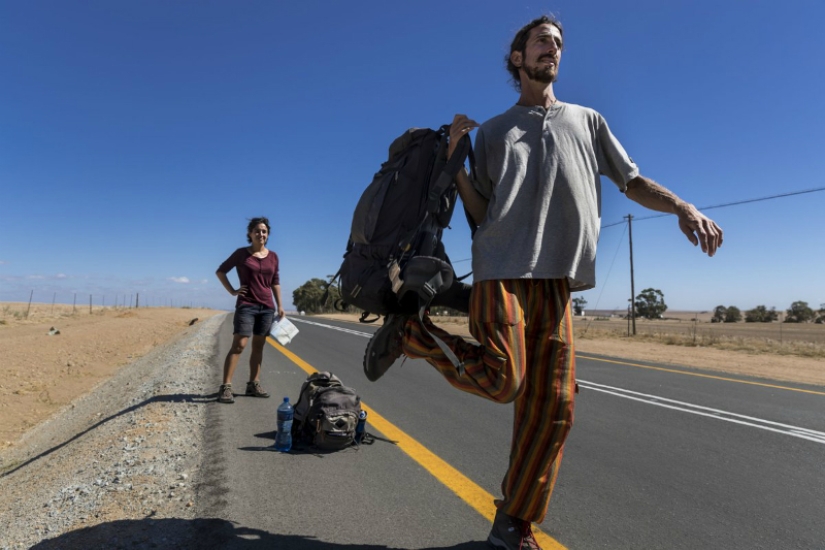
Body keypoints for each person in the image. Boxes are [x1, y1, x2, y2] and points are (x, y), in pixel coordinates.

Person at [363, 15, 723, 550]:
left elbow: (632, 181)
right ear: (518, 58)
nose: (551, 47)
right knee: (505, 379)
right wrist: (456, 165)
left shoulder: (588, 120)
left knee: (553, 407)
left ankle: (513, 524)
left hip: (558, 282)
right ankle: (412, 336)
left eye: (557, 43)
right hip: (502, 272)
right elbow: (481, 213)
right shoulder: (493, 131)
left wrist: (681, 207)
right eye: (540, 40)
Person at [216, 217, 286, 404]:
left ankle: (253, 384)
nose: (260, 234)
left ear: (268, 234)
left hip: (267, 308)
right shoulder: (241, 254)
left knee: (259, 346)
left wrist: (280, 305)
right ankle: (226, 387)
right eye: (257, 231)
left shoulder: (273, 256)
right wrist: (232, 291)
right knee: (239, 345)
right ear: (250, 234)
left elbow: (275, 282)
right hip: (246, 305)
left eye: (264, 231)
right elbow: (221, 271)